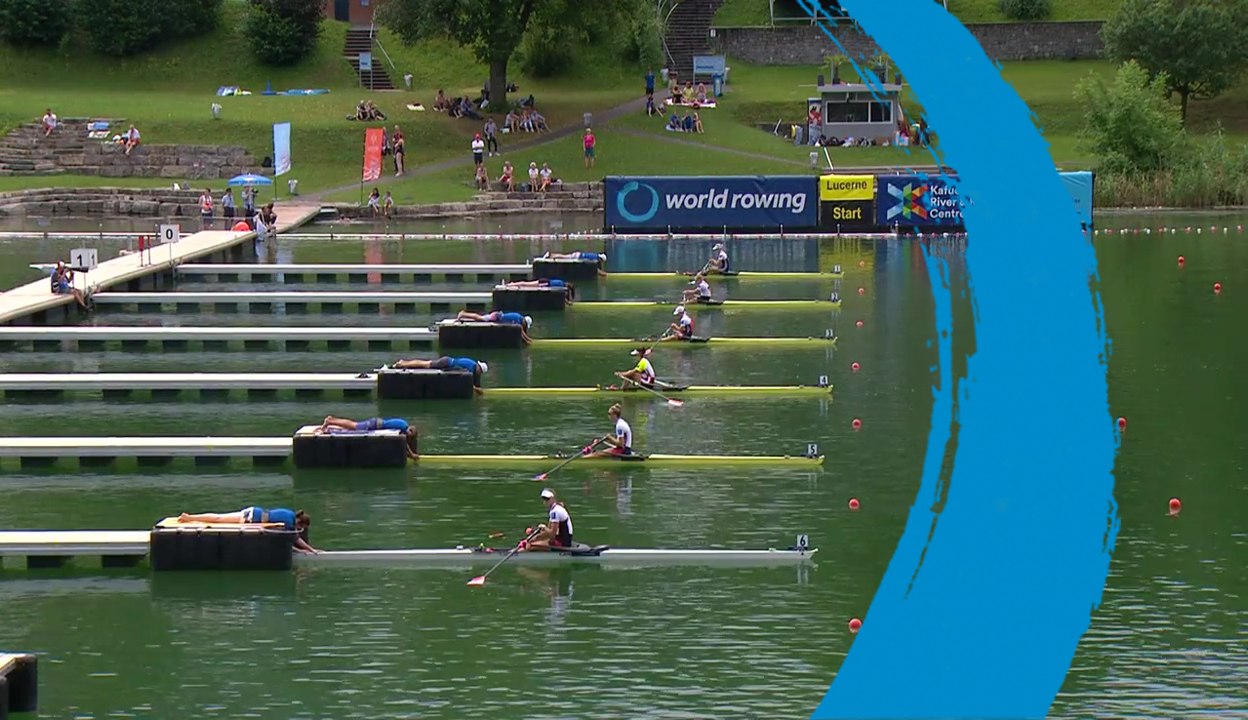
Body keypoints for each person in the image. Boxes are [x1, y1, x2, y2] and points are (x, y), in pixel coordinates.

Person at [176, 507, 318, 554]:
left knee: (219, 517)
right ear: (299, 522)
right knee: (219, 519)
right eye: (301, 527)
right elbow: (289, 542)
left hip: (254, 511)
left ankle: (190, 517)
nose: (299, 530)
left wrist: (309, 550)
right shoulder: (289, 523)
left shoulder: (289, 513)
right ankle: (189, 518)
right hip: (250, 519)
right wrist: (309, 550)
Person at [318, 416, 419, 460]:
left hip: (376, 423)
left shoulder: (404, 423)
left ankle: (332, 421)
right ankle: (330, 421)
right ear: (409, 431)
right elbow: (403, 442)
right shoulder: (403, 428)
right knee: (354, 426)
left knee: (353, 426)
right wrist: (412, 455)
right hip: (374, 424)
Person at [392, 356, 488, 395]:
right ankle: (402, 363)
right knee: (425, 364)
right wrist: (475, 389)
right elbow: (465, 379)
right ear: (478, 368)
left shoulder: (473, 365)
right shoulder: (471, 368)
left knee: (425, 364)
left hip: (447, 361)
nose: (479, 373)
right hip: (445, 363)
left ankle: (403, 363)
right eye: (480, 371)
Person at [454, 309, 533, 344]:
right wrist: (528, 341)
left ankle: (464, 315)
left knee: (480, 319)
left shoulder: (519, 318)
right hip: (496, 316)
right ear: (524, 321)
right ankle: (463, 314)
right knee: (480, 318)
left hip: (497, 316)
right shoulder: (518, 319)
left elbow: (521, 331)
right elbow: (520, 331)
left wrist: (528, 340)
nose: (524, 326)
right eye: (525, 325)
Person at [501, 278, 575, 302]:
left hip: (545, 281)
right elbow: (562, 296)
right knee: (526, 284)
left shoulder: (562, 282)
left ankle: (512, 284)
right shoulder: (562, 286)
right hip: (544, 283)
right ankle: (511, 284)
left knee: (526, 284)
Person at [540, 250, 608, 277]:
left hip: (578, 255)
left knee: (564, 256)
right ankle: (550, 255)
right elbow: (595, 269)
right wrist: (604, 274)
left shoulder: (595, 256)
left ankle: (551, 255)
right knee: (563, 257)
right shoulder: (595, 258)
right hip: (578, 257)